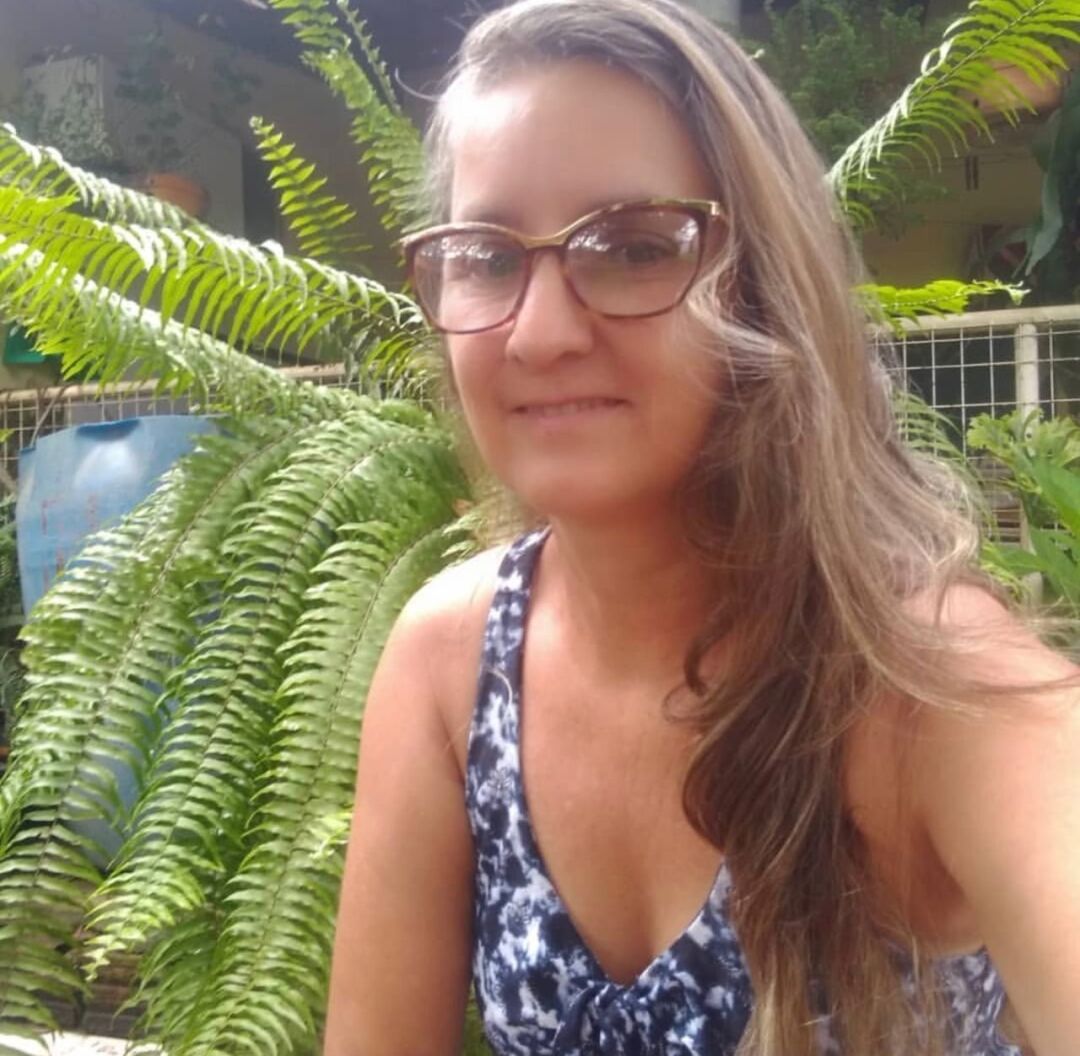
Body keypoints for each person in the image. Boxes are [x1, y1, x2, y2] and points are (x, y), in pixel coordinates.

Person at [323, 1, 1080, 1053]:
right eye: (487, 258)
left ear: (768, 287)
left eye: (635, 247)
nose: (537, 333)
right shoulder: (451, 664)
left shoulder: (927, 685)